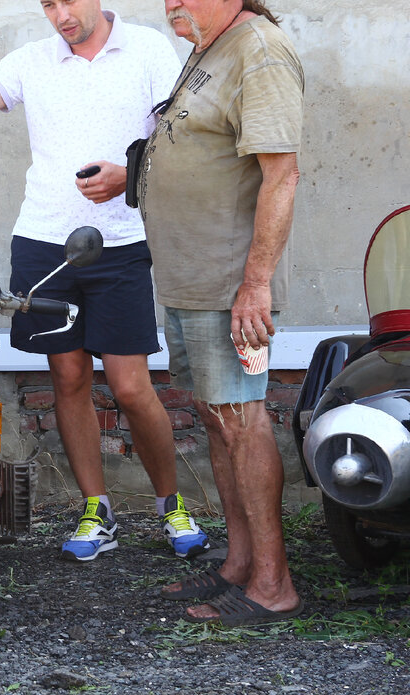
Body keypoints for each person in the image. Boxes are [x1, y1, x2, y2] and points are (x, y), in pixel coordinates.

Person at [0, 0, 206, 562]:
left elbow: (182, 136)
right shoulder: (33, 59)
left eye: (68, 1)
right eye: (48, 4)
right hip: (43, 244)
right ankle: (97, 511)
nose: (60, 15)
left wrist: (129, 174)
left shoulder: (148, 50)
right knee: (68, 378)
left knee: (130, 386)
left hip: (119, 244)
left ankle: (173, 505)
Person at [140, 0, 303, 624]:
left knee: (240, 418)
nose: (172, 3)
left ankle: (272, 584)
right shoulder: (213, 44)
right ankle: (239, 565)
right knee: (215, 415)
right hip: (191, 278)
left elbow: (281, 175)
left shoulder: (258, 50)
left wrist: (255, 285)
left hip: (230, 282)